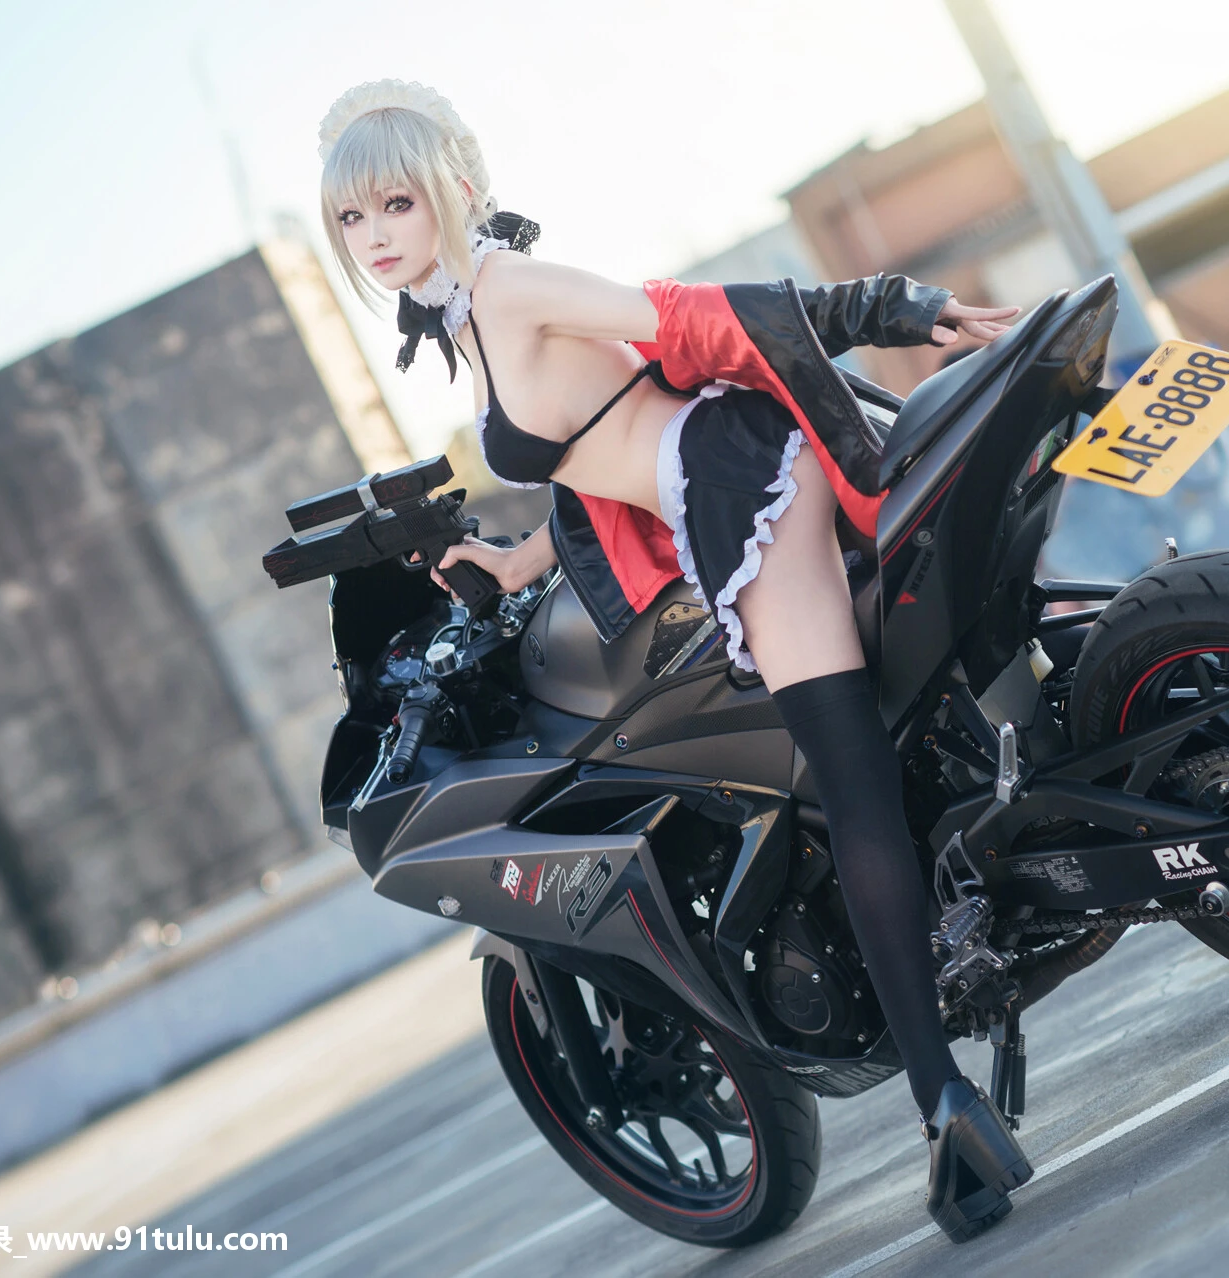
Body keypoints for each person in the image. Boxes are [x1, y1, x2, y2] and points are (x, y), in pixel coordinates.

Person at [317, 80, 1032, 1239]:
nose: (375, 234)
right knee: (850, 762)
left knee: (850, 782)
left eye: (396, 202)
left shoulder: (506, 288)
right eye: (352, 218)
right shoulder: (466, 317)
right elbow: (598, 439)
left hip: (747, 488)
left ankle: (944, 1105)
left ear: (458, 188)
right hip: (712, 492)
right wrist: (513, 561)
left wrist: (895, 307)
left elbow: (691, 319)